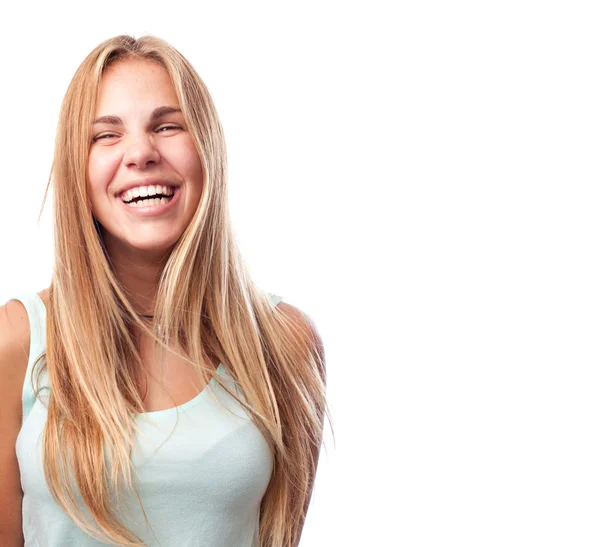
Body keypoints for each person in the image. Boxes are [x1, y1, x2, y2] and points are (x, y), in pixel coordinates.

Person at [0, 35, 329, 547]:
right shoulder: (16, 341)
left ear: (207, 149)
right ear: (76, 170)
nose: (141, 153)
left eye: (167, 126)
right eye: (105, 135)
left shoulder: (284, 343)